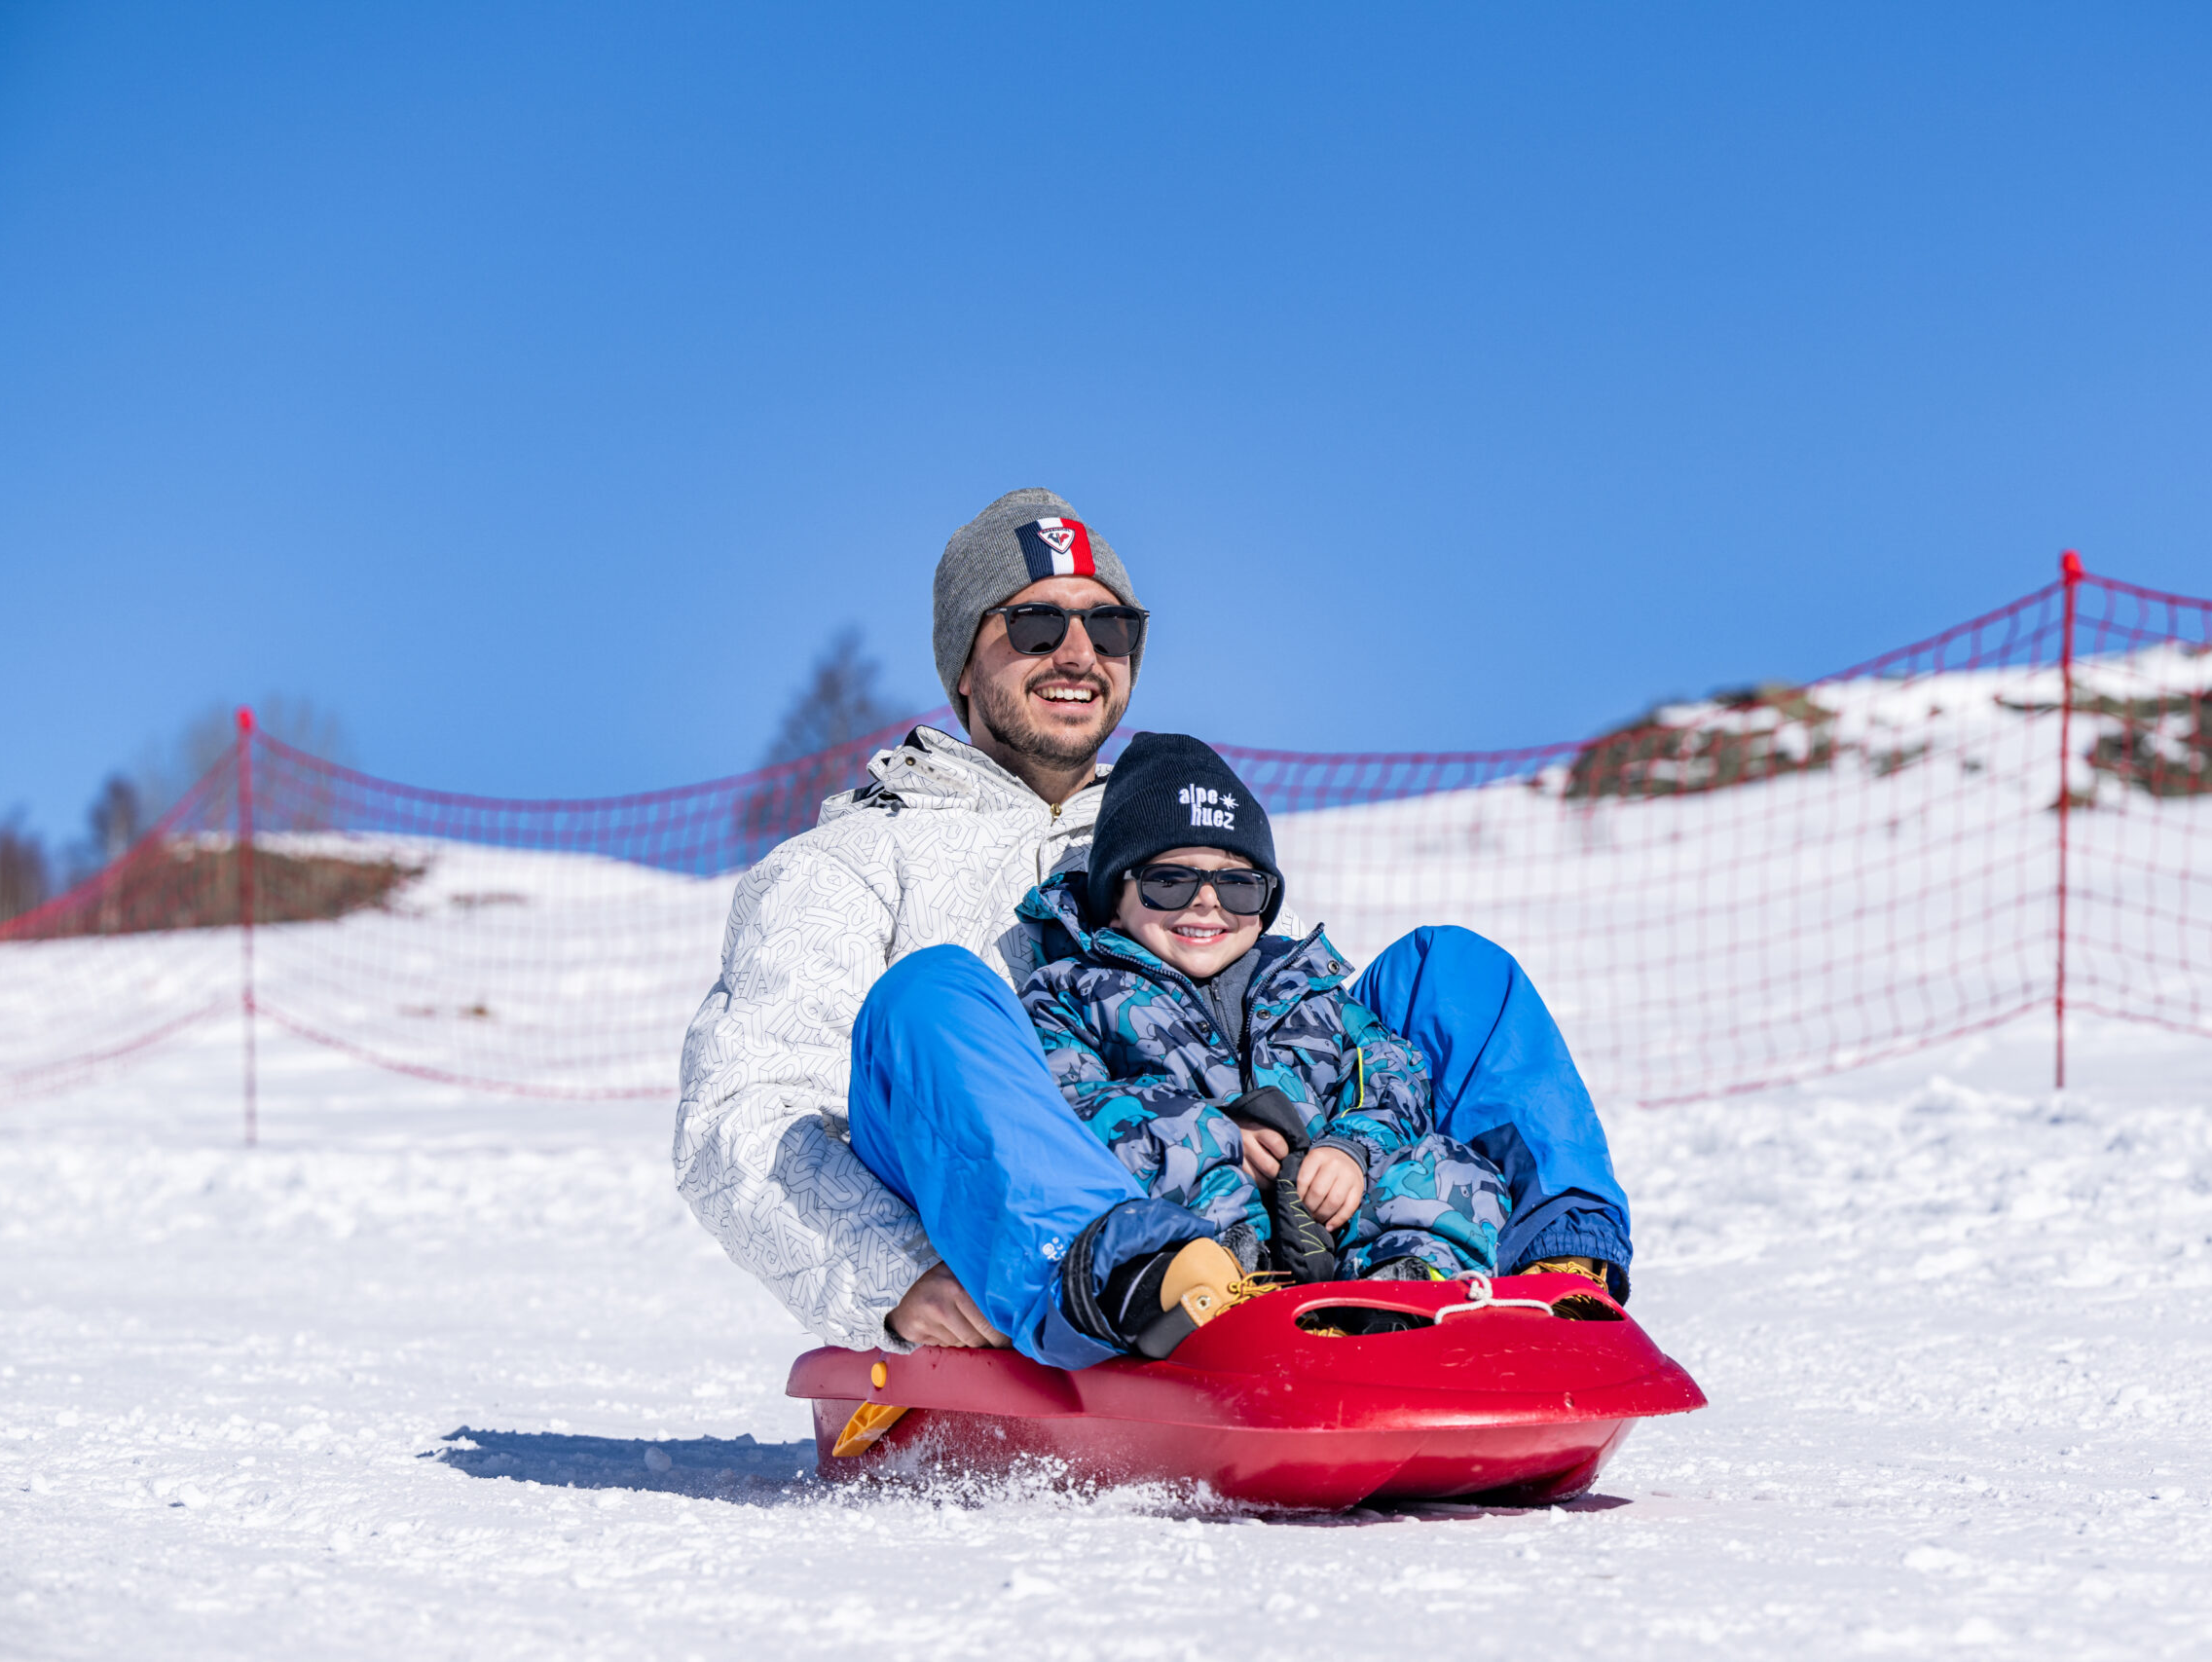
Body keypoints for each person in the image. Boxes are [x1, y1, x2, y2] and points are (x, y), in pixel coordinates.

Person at [674, 487, 1632, 1371]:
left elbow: (1314, 1039)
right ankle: (1128, 1281)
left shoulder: (1176, 837)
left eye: (1111, 627)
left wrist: (1333, 1156)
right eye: (1036, 622)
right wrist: (891, 1279)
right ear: (965, 656)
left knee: (1449, 971)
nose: (1079, 654)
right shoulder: (852, 863)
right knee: (931, 992)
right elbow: (744, 1120)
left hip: (1254, 1240)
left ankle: (1551, 1286)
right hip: (1036, 1254)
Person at [1013, 732, 1510, 1354]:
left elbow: (1395, 1075)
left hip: (1321, 1225)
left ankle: (1405, 1302)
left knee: (1446, 1165)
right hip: (1197, 1238)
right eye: (1170, 882)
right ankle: (1228, 1290)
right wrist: (1220, 1133)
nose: (1206, 902)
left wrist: (1351, 1150)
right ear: (1115, 897)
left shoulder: (1307, 991)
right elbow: (1071, 1103)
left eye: (1238, 885)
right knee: (1175, 1145)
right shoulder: (1072, 992)